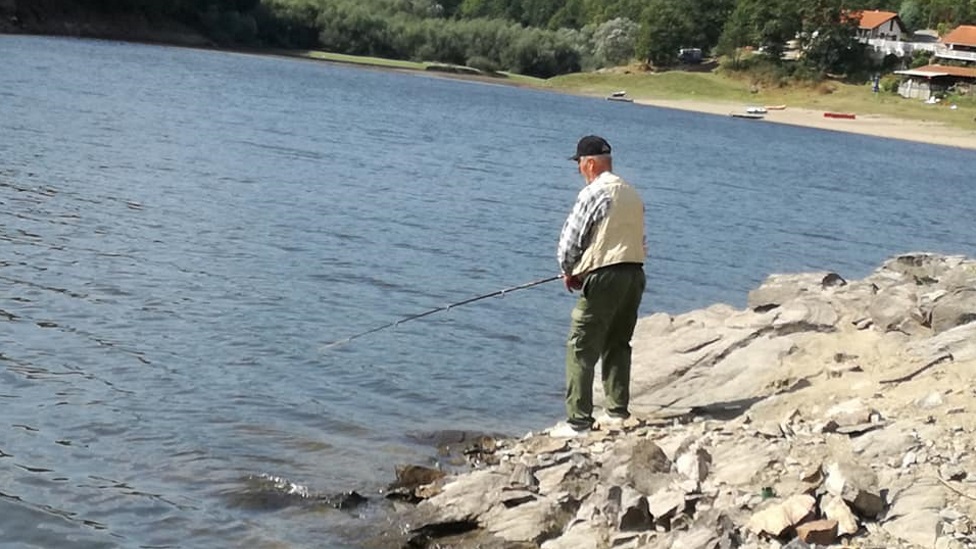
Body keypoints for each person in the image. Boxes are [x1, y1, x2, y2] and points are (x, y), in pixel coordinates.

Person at [551, 135, 646, 437]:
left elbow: (570, 243)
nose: (579, 170)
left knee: (580, 345)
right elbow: (640, 241)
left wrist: (569, 271)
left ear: (590, 163)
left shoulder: (594, 193)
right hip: (635, 274)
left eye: (579, 164)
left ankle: (578, 421)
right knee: (618, 342)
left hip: (605, 276)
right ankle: (617, 412)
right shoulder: (631, 193)